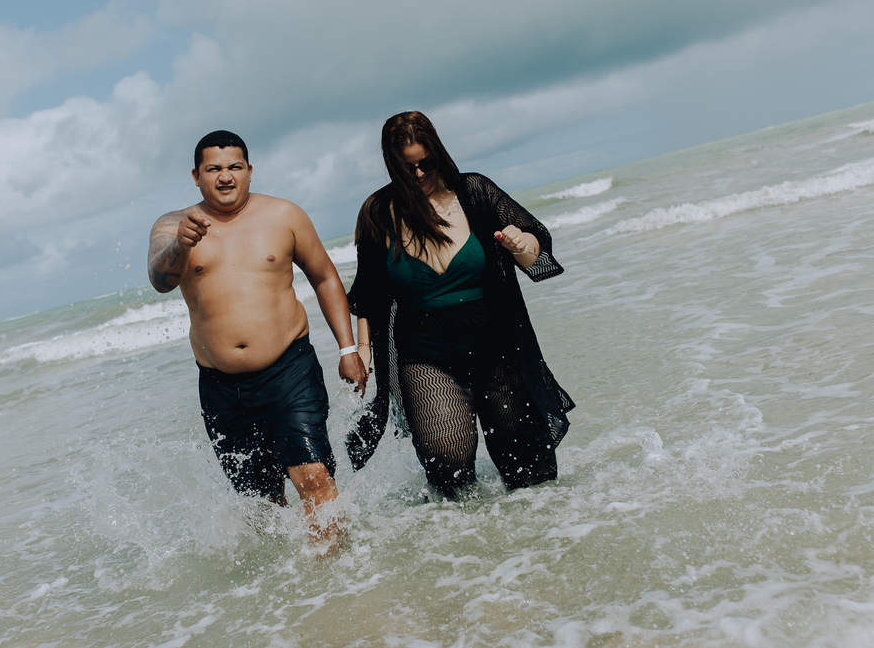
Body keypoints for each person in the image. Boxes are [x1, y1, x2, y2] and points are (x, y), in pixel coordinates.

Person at [147, 130, 367, 547]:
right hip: (221, 387)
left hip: (289, 371)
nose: (225, 176)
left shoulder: (284, 215)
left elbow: (324, 276)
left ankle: (336, 573)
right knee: (263, 505)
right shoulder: (174, 225)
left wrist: (348, 348)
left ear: (249, 170)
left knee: (314, 477)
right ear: (196, 176)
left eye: (234, 167)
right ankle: (292, 581)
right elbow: (160, 280)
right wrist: (180, 244)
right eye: (214, 169)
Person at [345, 111, 574, 496]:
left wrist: (520, 244)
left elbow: (534, 245)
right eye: (408, 168)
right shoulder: (378, 213)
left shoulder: (475, 191)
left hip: (496, 343)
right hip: (425, 350)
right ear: (392, 165)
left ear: (438, 153)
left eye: (426, 163)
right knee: (446, 462)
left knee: (527, 466)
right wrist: (361, 350)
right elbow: (369, 294)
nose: (419, 174)